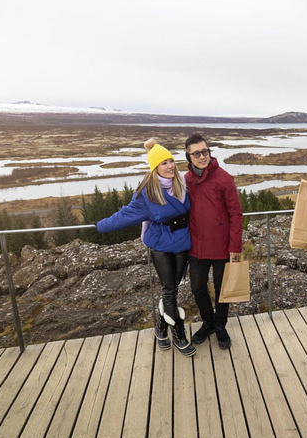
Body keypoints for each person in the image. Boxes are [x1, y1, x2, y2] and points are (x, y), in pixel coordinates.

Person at [96, 138, 196, 357]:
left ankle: (161, 326)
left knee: (175, 287)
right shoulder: (147, 193)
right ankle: (179, 333)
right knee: (168, 289)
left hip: (182, 242)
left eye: (171, 161)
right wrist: (100, 226)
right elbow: (124, 216)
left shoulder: (183, 184)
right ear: (154, 168)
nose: (170, 166)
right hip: (160, 244)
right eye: (163, 163)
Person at [183, 133, 244, 350]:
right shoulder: (185, 181)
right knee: (197, 287)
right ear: (188, 157)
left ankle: (220, 325)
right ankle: (208, 321)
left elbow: (236, 214)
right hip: (196, 247)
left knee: (223, 289)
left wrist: (235, 247)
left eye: (205, 151)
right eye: (196, 153)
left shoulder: (223, 178)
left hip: (222, 247)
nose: (202, 156)